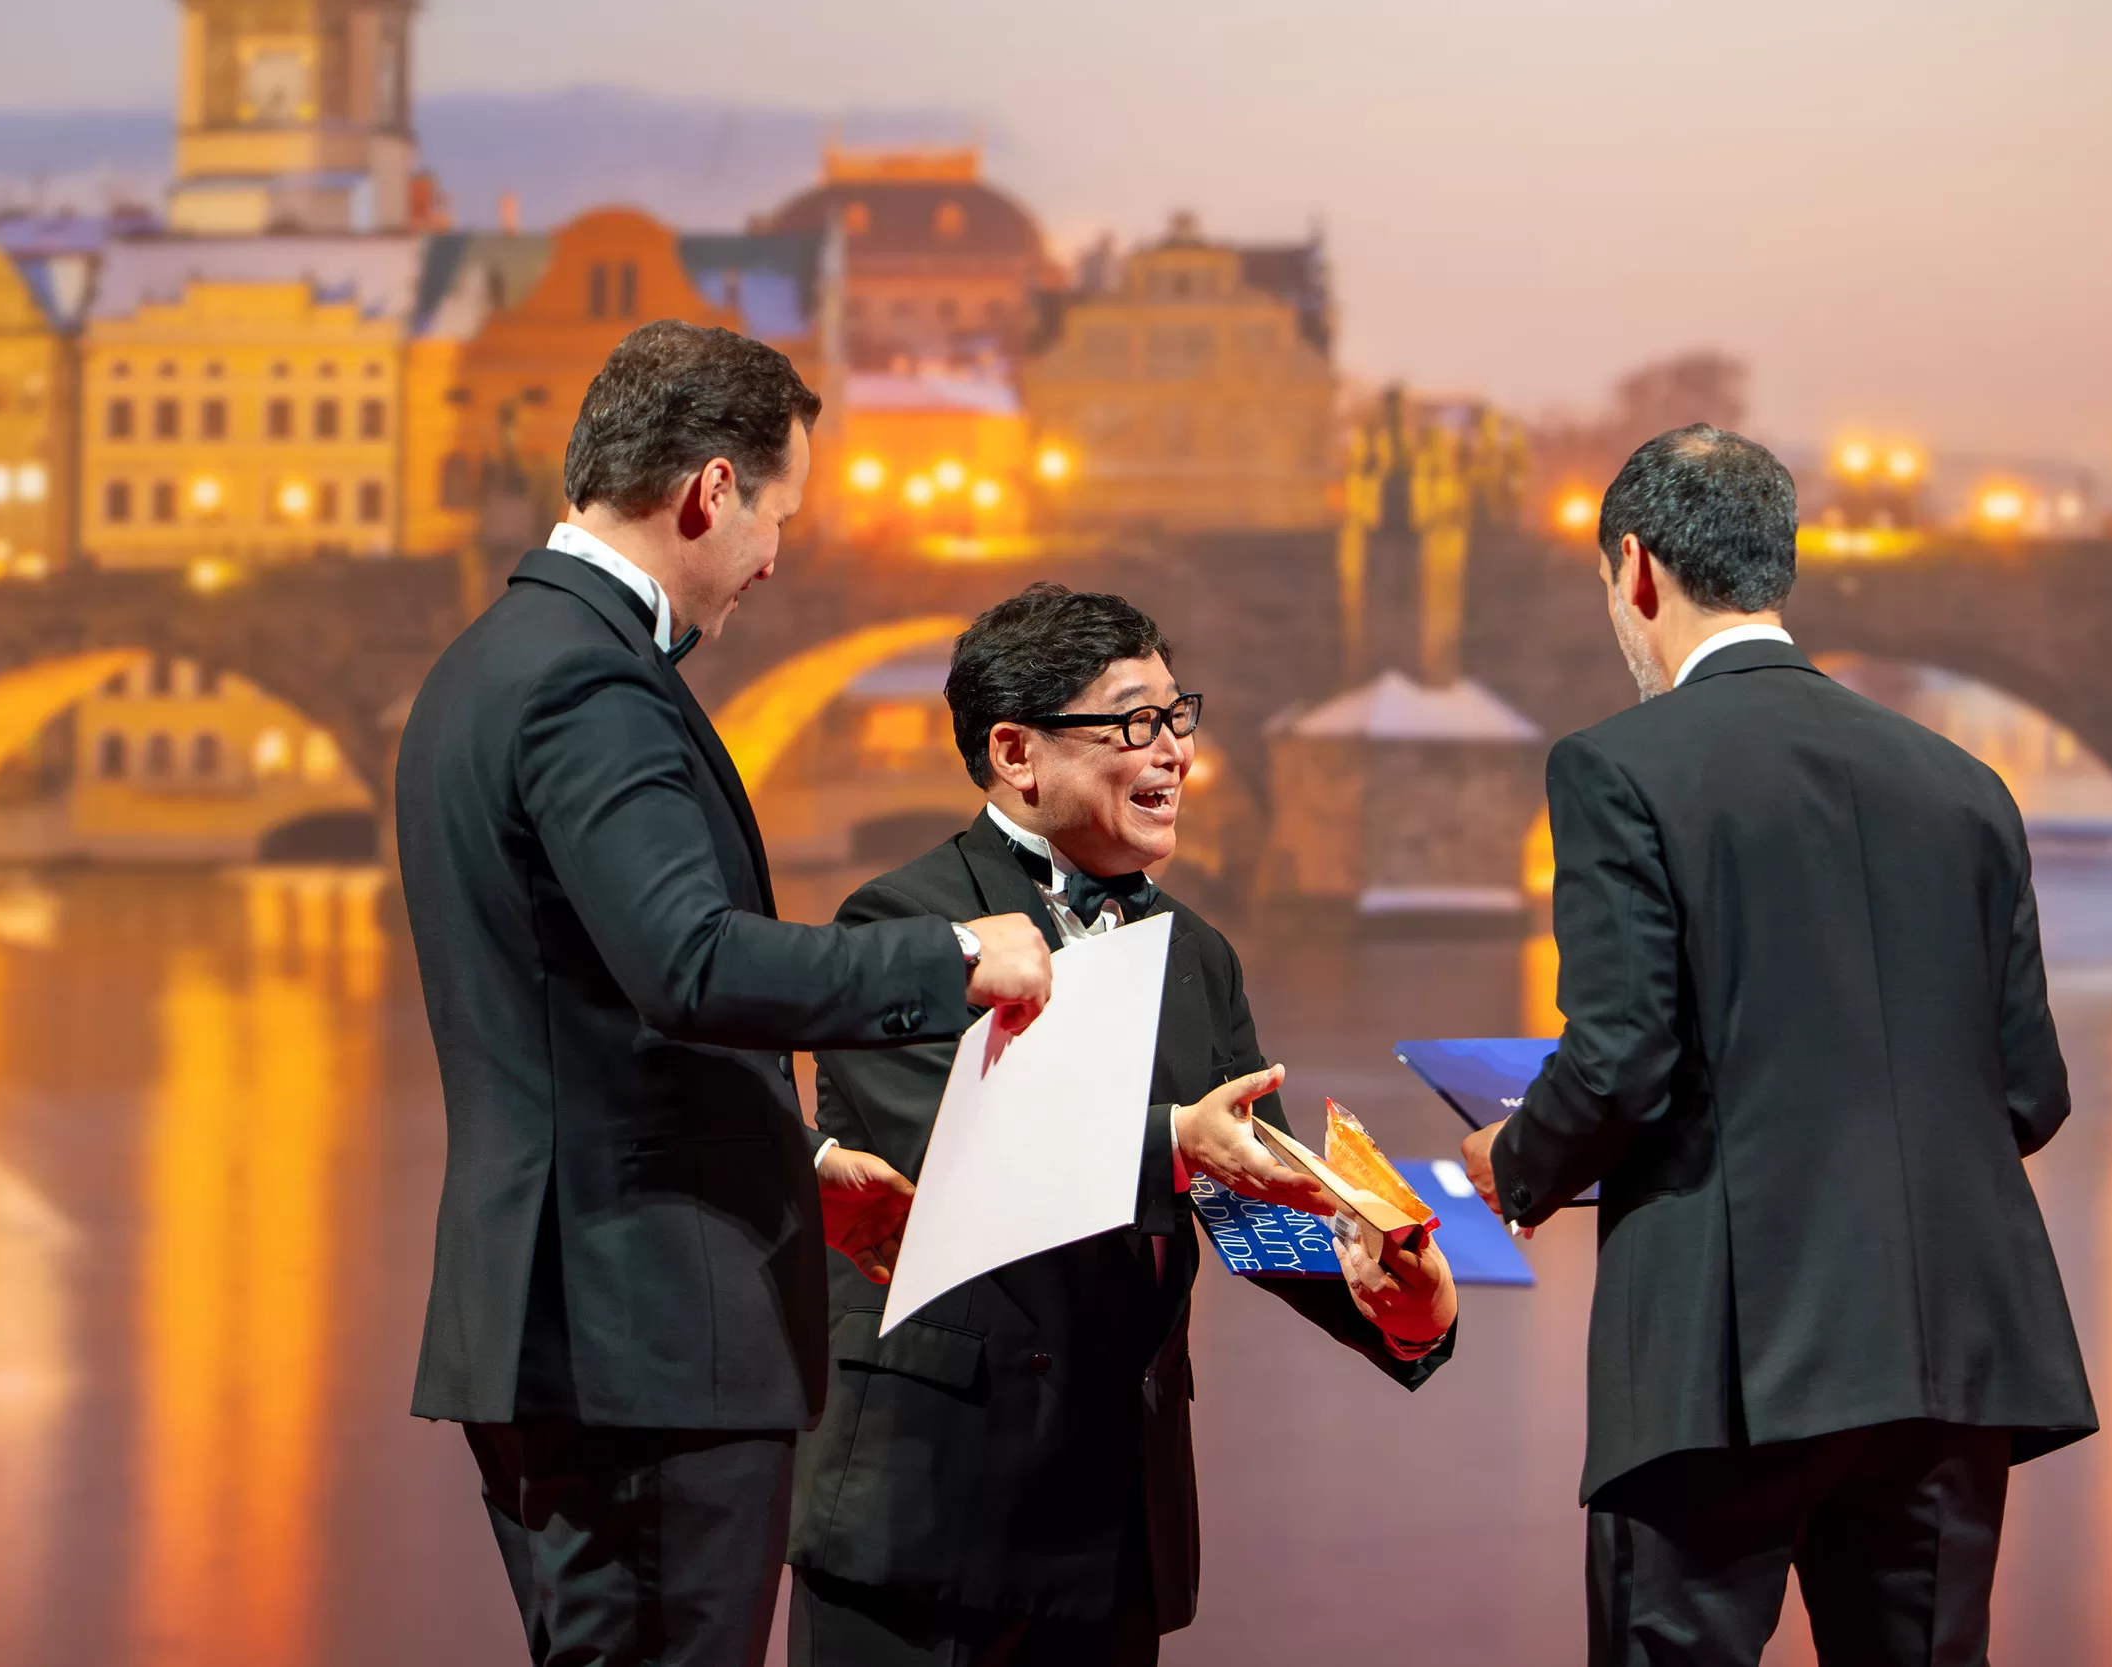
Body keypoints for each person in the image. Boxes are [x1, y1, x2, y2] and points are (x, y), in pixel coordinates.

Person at [395, 321, 1055, 1667]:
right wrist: (954, 956)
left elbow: (585, 1015)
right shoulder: (591, 679)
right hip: (645, 1337)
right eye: (778, 516)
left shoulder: (489, 660)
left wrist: (794, 1158)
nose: (776, 558)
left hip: (562, 1316)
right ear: (707, 490)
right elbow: (689, 961)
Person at [1460, 425, 2097, 1665]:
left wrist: (1514, 1161)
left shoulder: (1616, 767)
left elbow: (1622, 1060)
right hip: (1947, 1353)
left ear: (1634, 569)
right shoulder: (1964, 782)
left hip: (1724, 1356)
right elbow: (2030, 1089)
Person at [787, 584, 1460, 1666]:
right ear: (1017, 751)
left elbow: (1253, 1191)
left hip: (1114, 1521)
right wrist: (1174, 1141)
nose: (1174, 753)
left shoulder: (1200, 952)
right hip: (923, 1506)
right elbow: (958, 1149)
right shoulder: (902, 924)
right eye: (1132, 722)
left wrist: (1395, 1298)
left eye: (1176, 717)